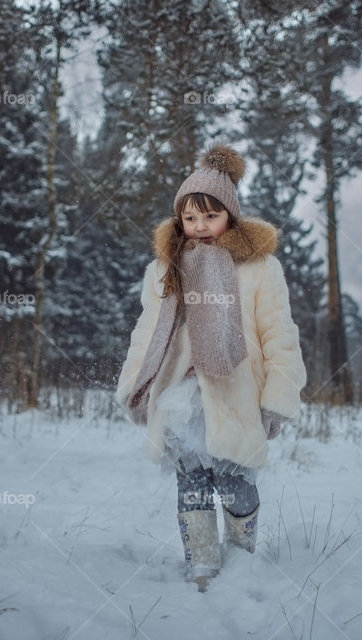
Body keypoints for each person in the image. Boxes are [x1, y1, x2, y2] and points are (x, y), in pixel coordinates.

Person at [115, 144, 307, 592]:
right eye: (190, 218)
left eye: (210, 216)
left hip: (237, 392)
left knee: (234, 480)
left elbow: (280, 334)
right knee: (192, 480)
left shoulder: (259, 267)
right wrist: (135, 385)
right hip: (183, 393)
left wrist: (277, 397)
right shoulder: (166, 268)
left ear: (230, 216)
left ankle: (242, 554)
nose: (200, 227)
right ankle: (201, 562)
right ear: (180, 221)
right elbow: (147, 332)